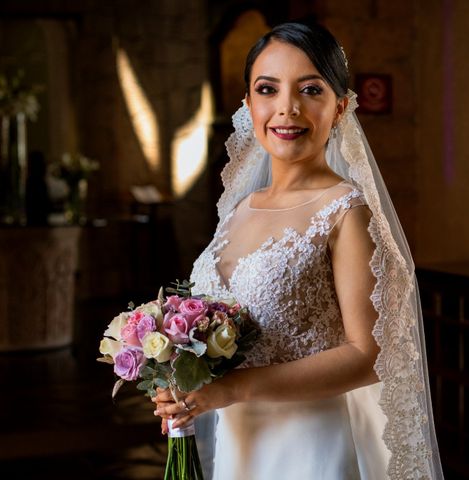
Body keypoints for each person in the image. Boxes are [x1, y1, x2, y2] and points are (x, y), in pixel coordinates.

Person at [153, 22, 443, 480]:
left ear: (340, 107)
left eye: (310, 89)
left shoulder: (347, 211)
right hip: (241, 441)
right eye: (268, 89)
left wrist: (234, 388)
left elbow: (369, 353)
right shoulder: (240, 207)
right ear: (248, 105)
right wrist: (183, 377)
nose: (287, 109)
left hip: (313, 446)